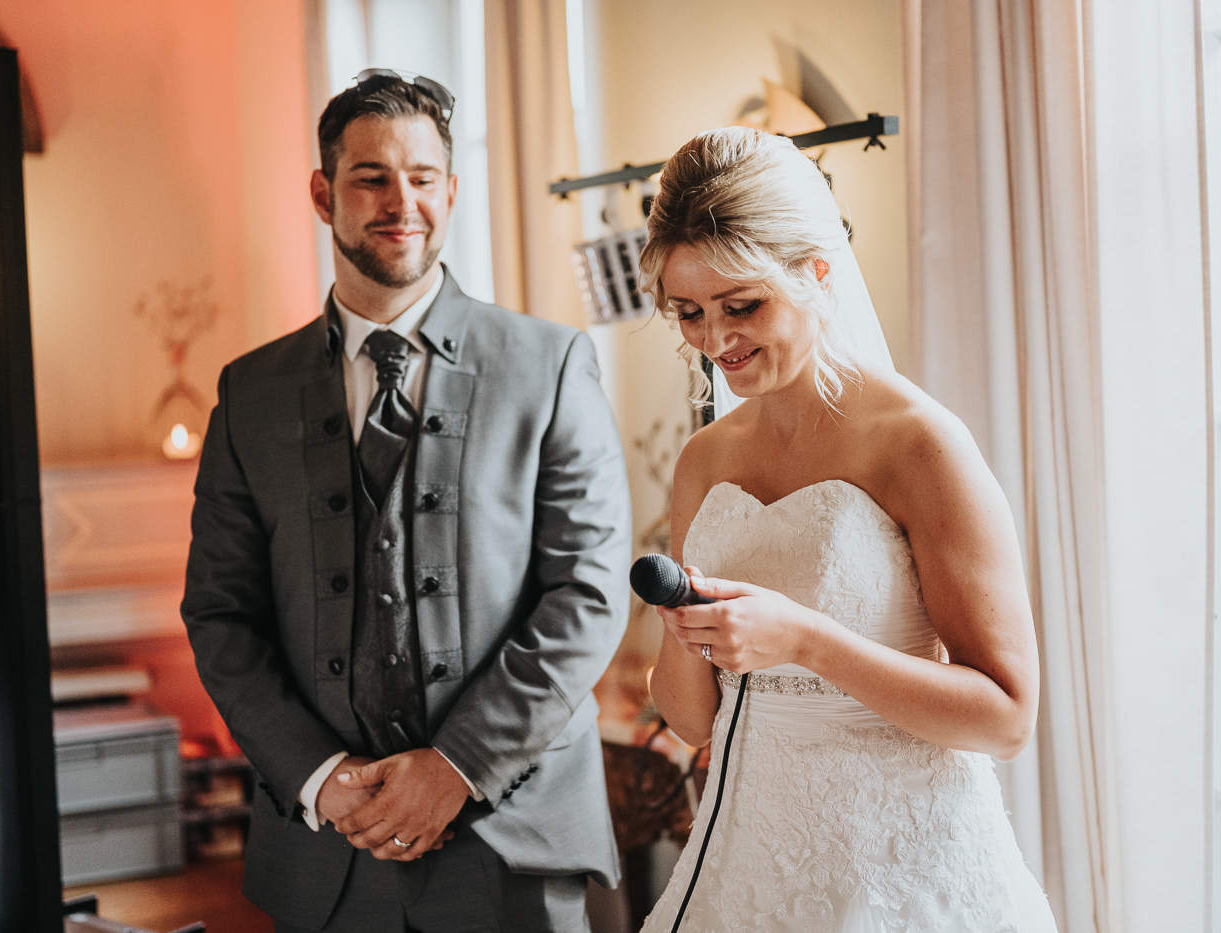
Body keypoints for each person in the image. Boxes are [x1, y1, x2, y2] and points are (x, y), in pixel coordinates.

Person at [181, 69, 631, 933]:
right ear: (323, 194)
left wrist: (457, 765)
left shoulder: (551, 365)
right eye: (371, 178)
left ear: (451, 191)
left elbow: (588, 593)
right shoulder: (250, 392)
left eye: (423, 178)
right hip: (325, 855)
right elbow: (221, 612)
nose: (402, 203)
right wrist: (320, 777)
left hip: (514, 843)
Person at [637, 127, 1058, 932]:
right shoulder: (703, 460)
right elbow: (692, 719)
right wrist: (686, 625)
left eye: (742, 306)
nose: (715, 341)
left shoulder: (920, 443)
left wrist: (806, 640)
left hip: (900, 867)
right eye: (690, 313)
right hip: (749, 862)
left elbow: (1006, 717)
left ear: (816, 272)